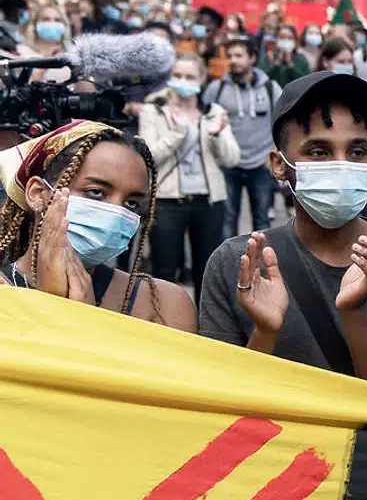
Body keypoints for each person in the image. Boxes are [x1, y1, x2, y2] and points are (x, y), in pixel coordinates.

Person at [198, 70, 367, 379]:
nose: (341, 165)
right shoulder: (236, 264)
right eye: (319, 152)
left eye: (357, 151)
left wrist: (354, 315)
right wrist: (264, 332)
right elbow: (220, 398)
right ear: (279, 165)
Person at [0, 121, 194, 328]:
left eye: (131, 203)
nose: (116, 213)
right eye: (96, 192)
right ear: (38, 194)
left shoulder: (162, 304)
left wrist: (87, 323)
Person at [138, 53, 241, 301]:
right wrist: (177, 133)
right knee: (164, 270)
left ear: (201, 80)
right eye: (178, 75)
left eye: (190, 76)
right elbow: (147, 156)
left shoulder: (214, 112)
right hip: (167, 201)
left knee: (206, 270)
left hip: (208, 201)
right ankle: (164, 324)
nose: (183, 81)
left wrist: (216, 136)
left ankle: (205, 326)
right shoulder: (153, 111)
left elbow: (232, 158)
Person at [204, 38, 281, 240]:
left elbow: (283, 124)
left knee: (262, 221)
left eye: (238, 55)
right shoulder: (216, 89)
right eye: (229, 56)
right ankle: (228, 267)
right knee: (227, 220)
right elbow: (204, 122)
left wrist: (274, 153)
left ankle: (262, 266)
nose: (233, 60)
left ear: (252, 58)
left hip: (261, 165)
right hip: (228, 164)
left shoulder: (271, 88)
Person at [18, 4, 73, 83]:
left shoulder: (71, 53)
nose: (52, 23)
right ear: (35, 24)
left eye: (57, 20)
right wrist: (46, 61)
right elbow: (20, 89)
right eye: (46, 19)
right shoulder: (22, 53)